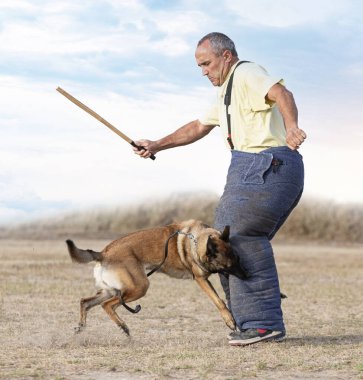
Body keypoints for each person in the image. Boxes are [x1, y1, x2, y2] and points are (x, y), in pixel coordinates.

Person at [133, 32, 306, 346]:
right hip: (252, 164)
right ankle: (252, 318)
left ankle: (263, 324)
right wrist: (157, 144)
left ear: (226, 56)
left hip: (266, 161)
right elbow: (198, 127)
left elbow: (282, 93)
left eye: (207, 63)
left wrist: (292, 126)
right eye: (199, 66)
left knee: (236, 237)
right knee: (227, 241)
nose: (203, 71)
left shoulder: (246, 73)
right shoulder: (226, 92)